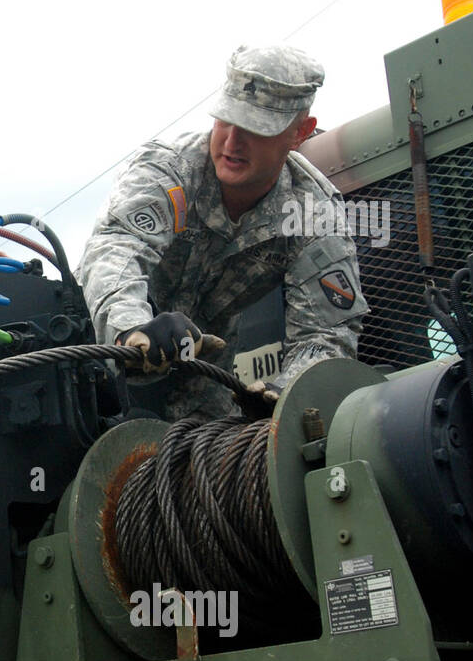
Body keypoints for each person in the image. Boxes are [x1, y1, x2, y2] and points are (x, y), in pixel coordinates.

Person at [77, 46, 369, 421]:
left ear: (300, 133)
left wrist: (288, 393)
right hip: (92, 353)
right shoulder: (169, 169)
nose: (232, 142)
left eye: (256, 129)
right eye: (226, 120)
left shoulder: (312, 211)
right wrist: (132, 327)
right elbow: (116, 247)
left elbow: (326, 334)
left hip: (201, 381)